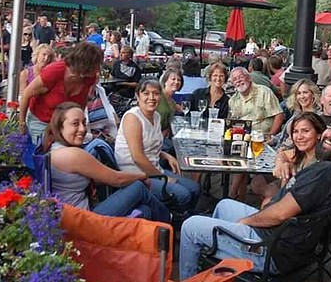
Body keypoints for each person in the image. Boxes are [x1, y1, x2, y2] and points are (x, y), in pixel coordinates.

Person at [179, 115, 331, 279]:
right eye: (330, 128)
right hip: (284, 236)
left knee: (190, 227)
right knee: (224, 205)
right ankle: (219, 274)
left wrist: (245, 222)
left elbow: (279, 215)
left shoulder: (327, 173)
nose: (330, 134)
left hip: (271, 249)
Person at [43, 102, 169, 222]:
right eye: (75, 124)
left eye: (84, 123)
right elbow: (117, 179)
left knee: (145, 211)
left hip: (73, 216)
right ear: (60, 127)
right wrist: (143, 176)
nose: (82, 129)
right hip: (83, 220)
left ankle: (161, 229)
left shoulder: (55, 147)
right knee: (138, 187)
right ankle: (168, 221)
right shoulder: (73, 155)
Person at [114, 79, 201, 213]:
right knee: (184, 194)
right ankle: (173, 220)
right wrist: (162, 177)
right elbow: (137, 156)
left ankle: (186, 218)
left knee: (195, 188)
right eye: (146, 93)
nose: (151, 97)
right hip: (136, 174)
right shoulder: (133, 118)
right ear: (138, 96)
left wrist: (165, 155)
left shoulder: (156, 116)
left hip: (153, 168)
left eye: (155, 93)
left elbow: (151, 144)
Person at [19, 42, 101, 143]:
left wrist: (80, 123)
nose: (98, 69)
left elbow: (82, 102)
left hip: (65, 125)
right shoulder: (54, 71)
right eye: (95, 65)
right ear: (85, 64)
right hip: (41, 121)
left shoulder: (89, 78)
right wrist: (21, 124)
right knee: (46, 153)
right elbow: (26, 94)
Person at [228, 67, 284, 199]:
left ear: (249, 77)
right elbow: (233, 123)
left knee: (241, 155)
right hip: (244, 138)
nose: (238, 81)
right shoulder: (233, 101)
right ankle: (238, 196)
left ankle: (232, 193)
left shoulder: (263, 92)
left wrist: (270, 135)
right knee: (239, 152)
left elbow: (279, 115)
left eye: (241, 77)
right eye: (235, 79)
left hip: (263, 139)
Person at [273, 79, 322, 148]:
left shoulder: (317, 116)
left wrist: (284, 150)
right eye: (298, 93)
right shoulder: (297, 112)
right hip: (279, 148)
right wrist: (272, 139)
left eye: (305, 92)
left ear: (313, 95)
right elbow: (285, 134)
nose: (302, 96)